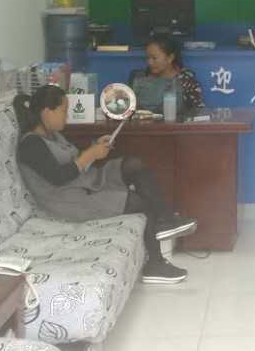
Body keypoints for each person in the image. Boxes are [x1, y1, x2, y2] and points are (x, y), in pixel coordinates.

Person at [13, 85, 195, 285]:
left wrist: (95, 148)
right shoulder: (30, 145)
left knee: (133, 164)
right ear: (47, 112)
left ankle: (165, 219)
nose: (67, 116)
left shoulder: (53, 135)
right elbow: (58, 177)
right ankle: (155, 265)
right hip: (70, 201)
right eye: (64, 110)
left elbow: (74, 160)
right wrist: (89, 155)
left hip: (86, 182)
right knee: (139, 202)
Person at [130, 35, 205, 114]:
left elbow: (199, 111)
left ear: (170, 58)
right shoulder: (140, 78)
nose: (150, 62)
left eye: (154, 58)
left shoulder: (186, 80)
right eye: (148, 58)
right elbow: (129, 109)